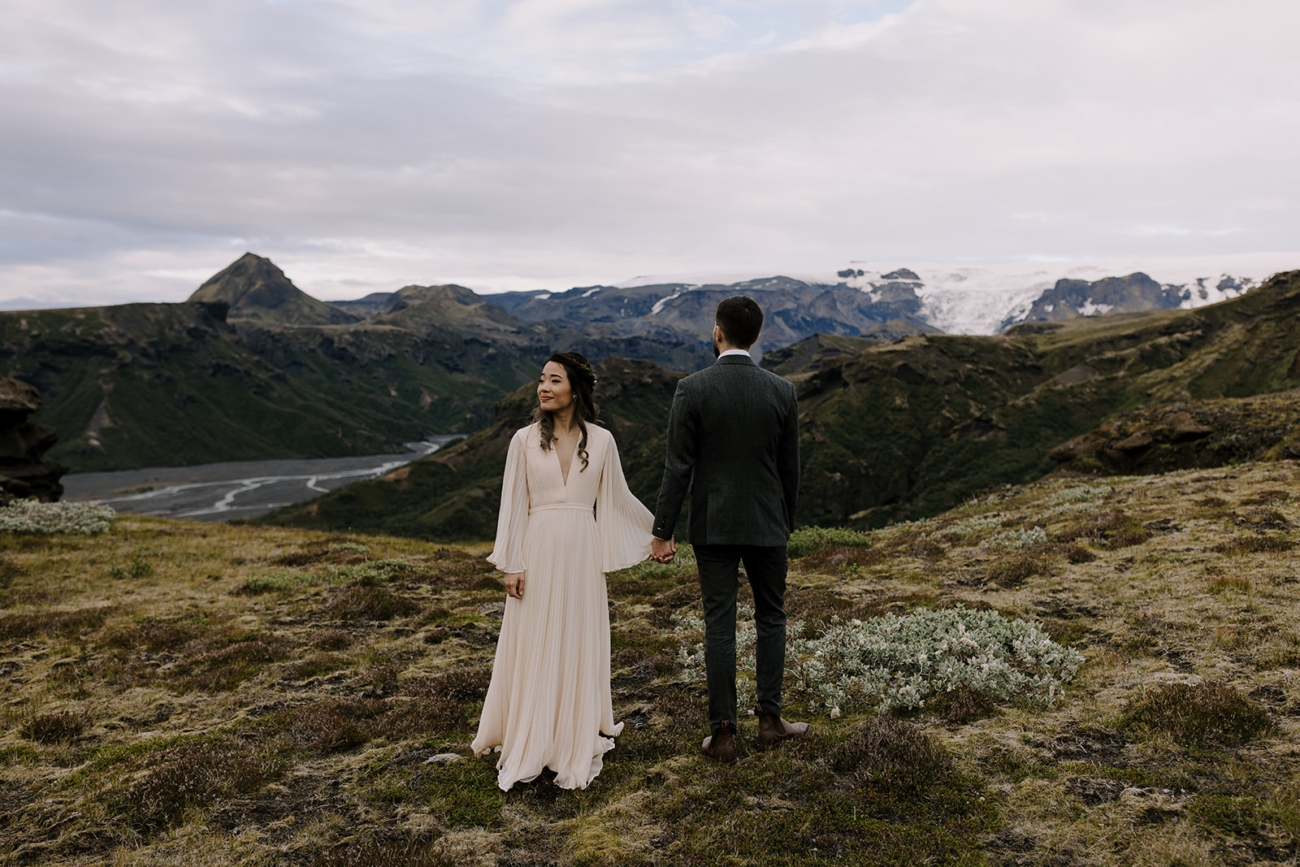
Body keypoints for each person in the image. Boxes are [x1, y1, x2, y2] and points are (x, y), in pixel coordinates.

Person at [472, 352, 654, 791]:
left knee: (576, 638)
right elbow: (513, 504)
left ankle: (571, 733)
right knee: (535, 639)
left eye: (554, 380)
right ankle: (532, 735)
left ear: (576, 388)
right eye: (541, 380)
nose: (543, 388)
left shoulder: (604, 441)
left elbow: (618, 499)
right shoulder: (523, 439)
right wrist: (512, 562)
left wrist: (658, 534)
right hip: (538, 548)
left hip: (582, 553)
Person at [650, 296, 807, 763]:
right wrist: (785, 522)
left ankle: (721, 734)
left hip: (712, 525)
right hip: (767, 524)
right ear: (757, 337)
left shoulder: (691, 388)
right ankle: (771, 721)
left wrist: (663, 530)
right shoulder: (782, 391)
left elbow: (678, 467)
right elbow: (790, 470)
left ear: (718, 332)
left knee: (719, 625)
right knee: (771, 617)